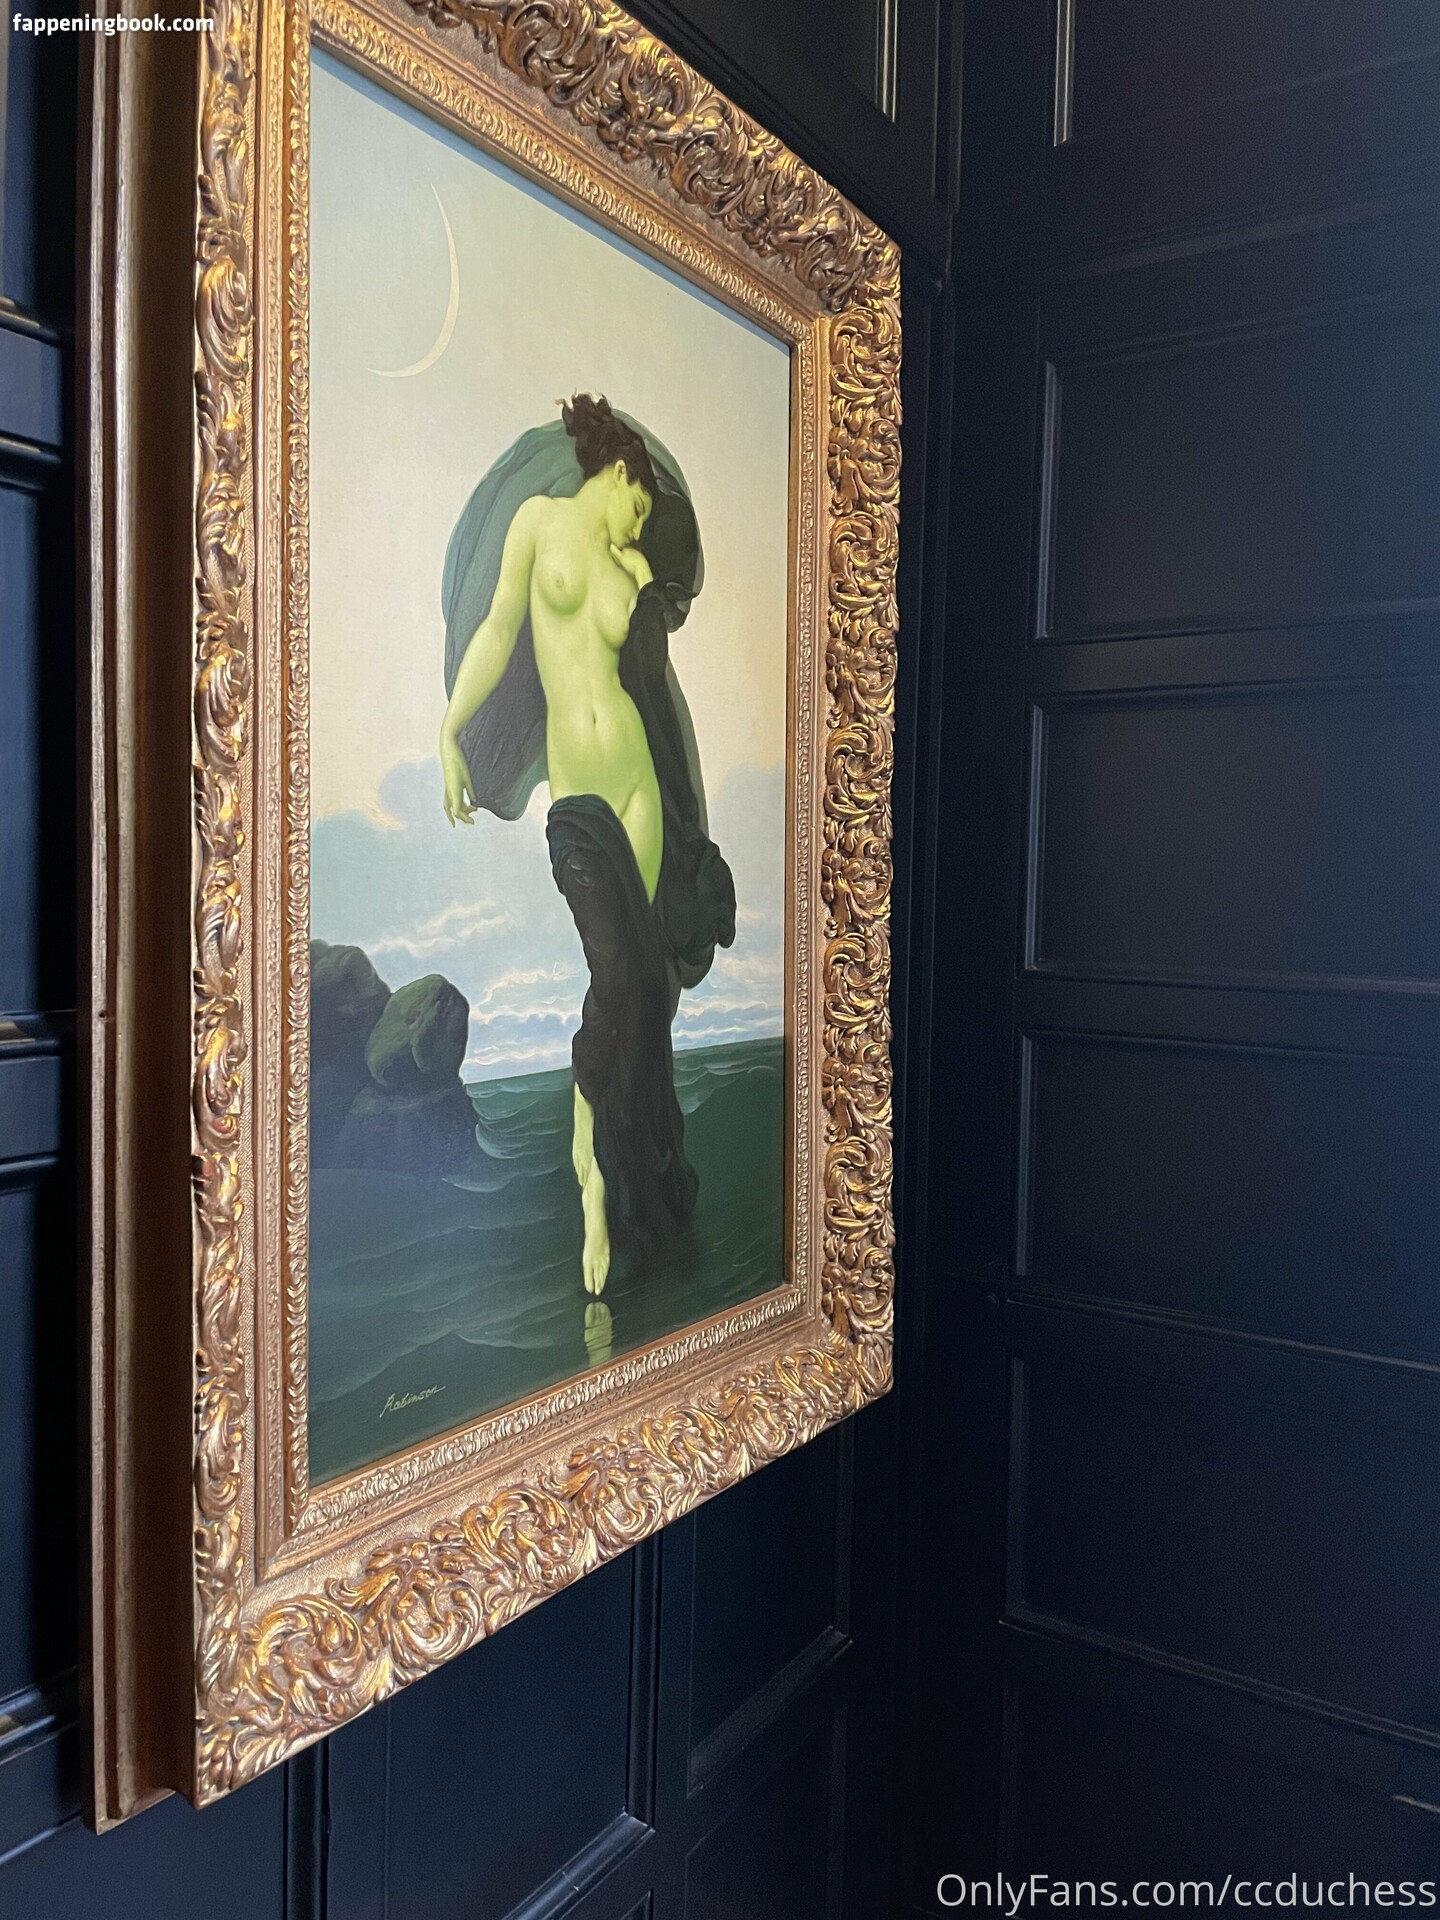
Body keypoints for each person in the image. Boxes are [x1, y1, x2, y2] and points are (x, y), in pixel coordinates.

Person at [438, 395, 735, 1296]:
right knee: (616, 974)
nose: (638, 523)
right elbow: (499, 628)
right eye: (638, 502)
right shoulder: (539, 523)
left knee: (643, 987)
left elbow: (655, 700)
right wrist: (451, 732)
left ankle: (625, 1165)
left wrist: (689, 820)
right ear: (617, 472)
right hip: (581, 802)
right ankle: (590, 1161)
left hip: (639, 787)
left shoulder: (632, 567)